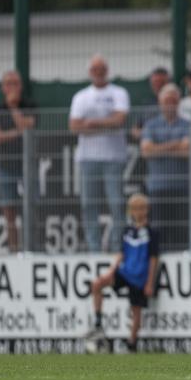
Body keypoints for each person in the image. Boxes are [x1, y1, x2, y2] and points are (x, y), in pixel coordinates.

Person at [68, 54, 130, 252]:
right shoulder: (81, 96)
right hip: (88, 158)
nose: (99, 73)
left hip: (113, 157)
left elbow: (119, 120)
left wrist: (92, 123)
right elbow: (74, 126)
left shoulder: (119, 93)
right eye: (95, 69)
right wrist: (106, 124)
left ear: (107, 71)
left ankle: (116, 246)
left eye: (101, 69)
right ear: (89, 72)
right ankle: (94, 248)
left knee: (117, 203)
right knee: (89, 205)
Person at [87, 193, 159, 353]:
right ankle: (98, 323)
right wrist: (110, 272)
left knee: (136, 313)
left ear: (146, 210)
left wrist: (149, 282)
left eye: (141, 208)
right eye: (134, 209)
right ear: (130, 211)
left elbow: (154, 259)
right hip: (125, 272)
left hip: (140, 278)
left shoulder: (151, 232)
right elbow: (121, 254)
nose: (138, 212)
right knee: (97, 284)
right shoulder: (127, 231)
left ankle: (131, 344)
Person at [0, 70, 37, 252]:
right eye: (8, 84)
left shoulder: (29, 105)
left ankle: (31, 248)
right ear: (2, 87)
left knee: (30, 209)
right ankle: (13, 250)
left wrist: (14, 109)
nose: (12, 88)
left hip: (27, 166)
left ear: (21, 86)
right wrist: (17, 133)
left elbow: (28, 126)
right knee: (9, 210)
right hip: (6, 166)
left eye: (15, 83)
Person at [141, 83, 191, 251]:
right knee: (159, 229)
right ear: (160, 102)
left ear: (178, 102)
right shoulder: (151, 125)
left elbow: (188, 151)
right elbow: (146, 151)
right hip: (158, 187)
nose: (170, 103)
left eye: (173, 100)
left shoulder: (187, 124)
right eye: (166, 100)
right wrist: (175, 145)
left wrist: (159, 148)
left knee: (182, 231)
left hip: (182, 187)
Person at [130, 66, 170, 142]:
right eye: (155, 82)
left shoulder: (177, 104)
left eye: (161, 82)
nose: (158, 85)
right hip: (150, 145)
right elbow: (135, 129)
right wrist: (146, 135)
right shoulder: (147, 104)